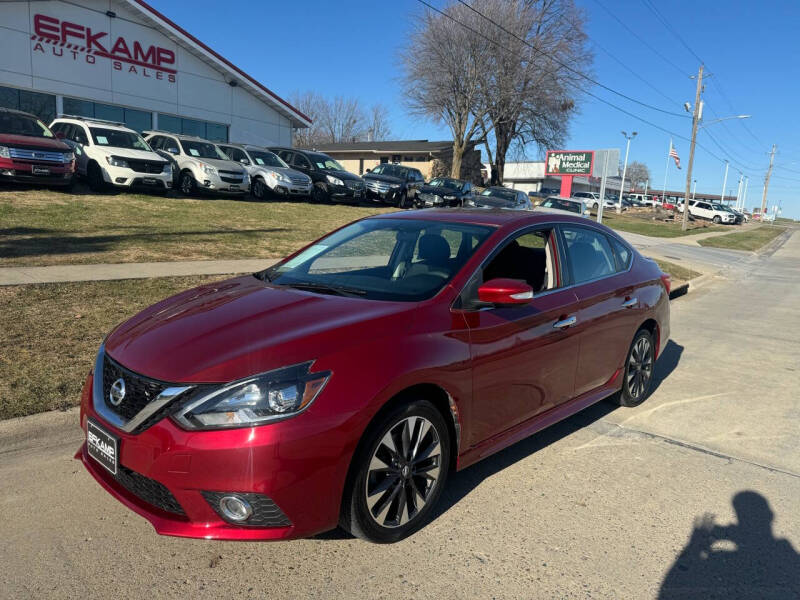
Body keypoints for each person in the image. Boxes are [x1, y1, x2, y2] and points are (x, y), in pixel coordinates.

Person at [659, 491, 800, 599]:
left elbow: (669, 590)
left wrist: (695, 544)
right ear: (770, 515)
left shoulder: (785, 551)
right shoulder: (786, 552)